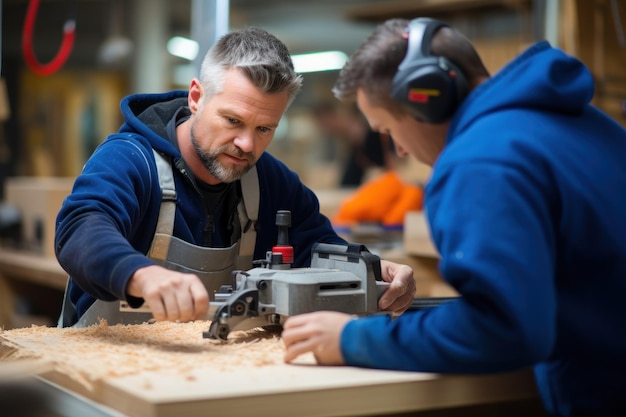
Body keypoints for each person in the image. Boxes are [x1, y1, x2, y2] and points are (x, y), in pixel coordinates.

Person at [281, 17, 626, 417]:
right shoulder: (578, 121)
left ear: (426, 97)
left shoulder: (481, 160)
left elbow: (506, 330)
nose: (400, 149)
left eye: (388, 128)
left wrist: (351, 339)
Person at [54, 27, 416, 328]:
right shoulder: (130, 160)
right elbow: (81, 227)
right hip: (105, 373)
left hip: (206, 370)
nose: (246, 144)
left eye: (264, 128)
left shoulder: (270, 180)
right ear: (196, 97)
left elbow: (315, 243)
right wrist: (141, 275)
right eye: (232, 121)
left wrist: (370, 268)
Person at [311, 102, 394, 186]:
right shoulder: (350, 142)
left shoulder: (367, 136)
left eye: (323, 123)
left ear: (330, 117)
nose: (324, 129)